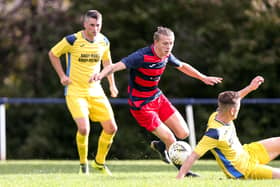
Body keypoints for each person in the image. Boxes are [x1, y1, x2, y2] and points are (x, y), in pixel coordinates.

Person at [89, 26, 222, 176]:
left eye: (171, 43)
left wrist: (203, 77)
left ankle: (160, 146)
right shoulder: (141, 56)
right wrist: (100, 75)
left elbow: (183, 66)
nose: (168, 47)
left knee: (184, 133)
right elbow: (115, 66)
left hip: (157, 97)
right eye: (165, 43)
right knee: (171, 138)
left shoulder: (167, 55)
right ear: (155, 42)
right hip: (141, 105)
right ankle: (184, 172)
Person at [48, 10, 118, 175]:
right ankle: (83, 165)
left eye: (98, 25)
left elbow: (108, 63)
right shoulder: (72, 40)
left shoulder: (104, 41)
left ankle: (99, 163)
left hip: (96, 90)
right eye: (92, 25)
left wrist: (112, 85)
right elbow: (53, 54)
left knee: (111, 128)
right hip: (75, 91)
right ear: (85, 24)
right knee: (84, 128)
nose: (95, 29)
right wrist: (62, 76)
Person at [177, 76, 280, 179]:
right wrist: (180, 177)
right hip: (243, 170)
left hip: (247, 152)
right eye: (238, 108)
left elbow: (237, 98)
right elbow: (194, 155)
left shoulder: (219, 112)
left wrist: (250, 87)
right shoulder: (214, 133)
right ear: (232, 111)